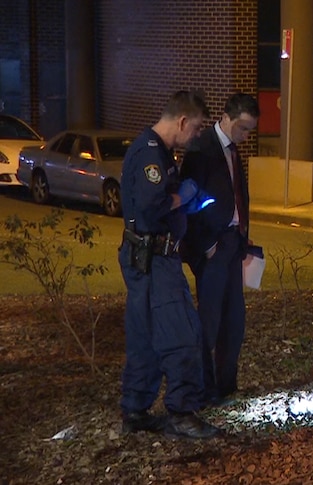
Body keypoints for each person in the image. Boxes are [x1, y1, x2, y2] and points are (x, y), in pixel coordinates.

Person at [118, 90, 220, 440]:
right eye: (194, 130)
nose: (194, 137)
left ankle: (135, 407)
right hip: (156, 260)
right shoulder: (150, 154)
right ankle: (182, 412)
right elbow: (152, 206)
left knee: (145, 335)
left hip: (144, 257)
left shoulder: (157, 151)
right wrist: (186, 194)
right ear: (181, 121)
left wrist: (187, 204)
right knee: (183, 333)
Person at [181, 92, 260, 407]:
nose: (245, 135)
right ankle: (205, 389)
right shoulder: (202, 149)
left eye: (250, 130)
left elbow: (236, 194)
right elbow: (188, 203)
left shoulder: (232, 150)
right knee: (210, 321)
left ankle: (227, 385)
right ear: (226, 118)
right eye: (242, 128)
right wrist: (206, 246)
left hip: (232, 243)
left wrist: (243, 234)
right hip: (214, 246)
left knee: (234, 320)